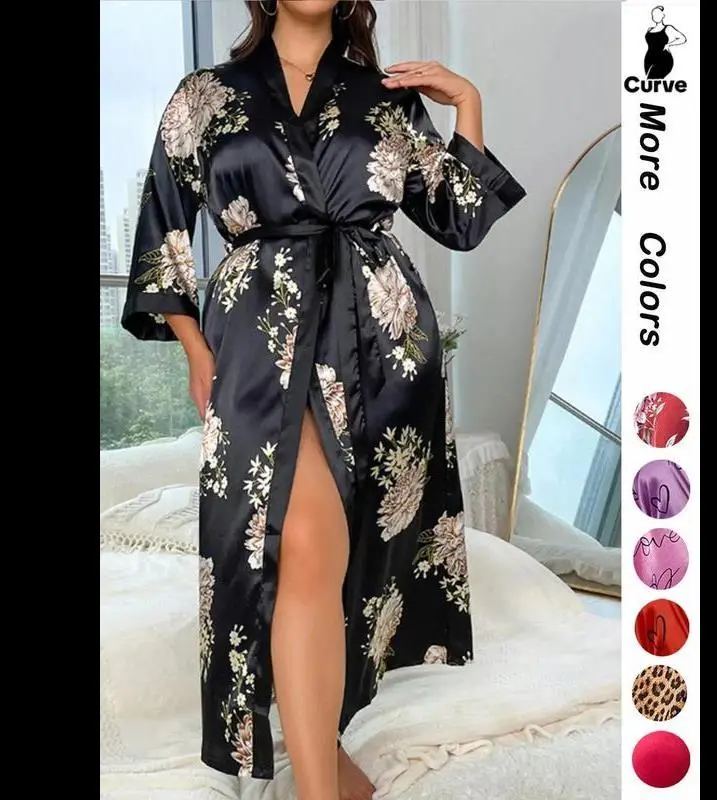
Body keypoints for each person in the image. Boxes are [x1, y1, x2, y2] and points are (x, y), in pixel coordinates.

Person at [121, 1, 525, 798]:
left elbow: (457, 217)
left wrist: (468, 102)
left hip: (380, 347)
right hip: (254, 338)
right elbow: (162, 227)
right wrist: (195, 349)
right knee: (297, 536)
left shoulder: (384, 97)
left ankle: (325, 753)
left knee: (344, 554)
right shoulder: (206, 94)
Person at [644, 5, 688, 79]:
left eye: (658, 14)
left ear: (663, 15)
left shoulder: (668, 28)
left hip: (663, 59)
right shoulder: (649, 29)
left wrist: (669, 44)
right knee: (650, 82)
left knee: (652, 78)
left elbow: (683, 38)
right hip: (649, 58)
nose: (655, 16)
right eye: (653, 15)